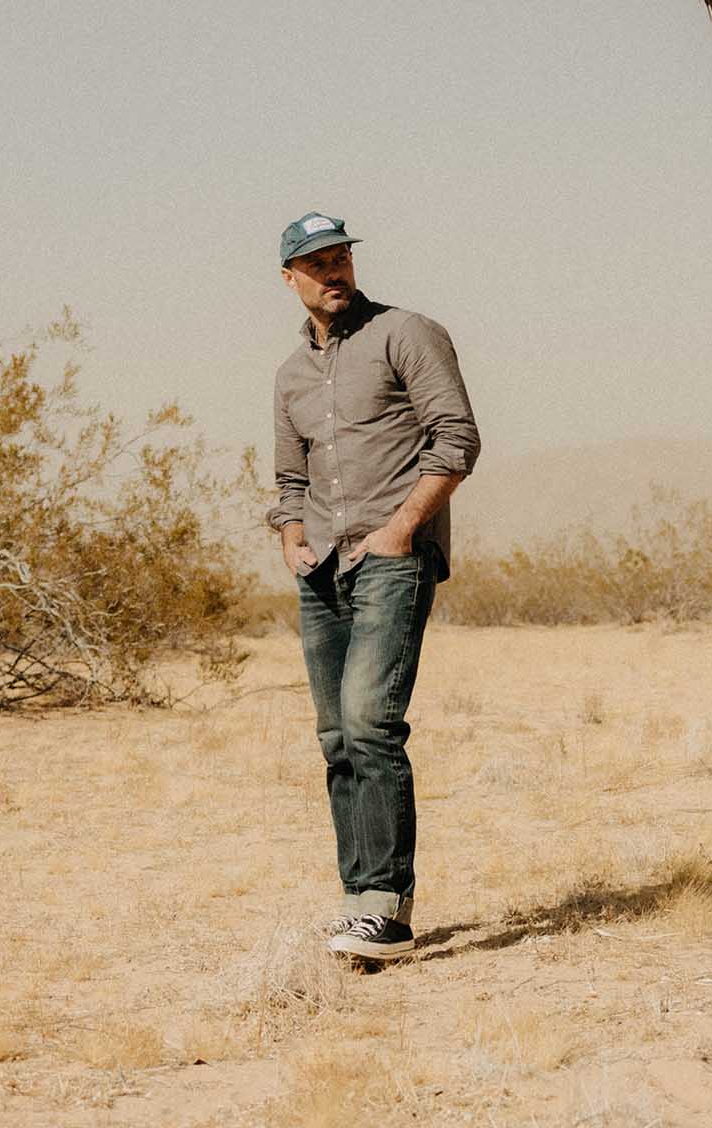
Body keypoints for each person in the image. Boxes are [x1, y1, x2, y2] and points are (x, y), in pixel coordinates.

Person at [267, 212, 480, 961]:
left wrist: (402, 530)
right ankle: (358, 900)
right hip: (320, 568)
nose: (333, 272)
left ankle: (389, 907)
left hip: (390, 558)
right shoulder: (291, 376)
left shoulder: (407, 334)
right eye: (315, 263)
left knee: (368, 721)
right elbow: (290, 476)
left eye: (341, 258)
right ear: (288, 277)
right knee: (336, 738)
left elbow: (457, 438)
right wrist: (292, 537)